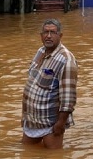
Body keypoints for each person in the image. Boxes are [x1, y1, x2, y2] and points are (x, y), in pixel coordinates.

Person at [22, 19, 78, 149]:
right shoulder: (40, 51)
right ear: (41, 35)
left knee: (54, 157)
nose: (48, 36)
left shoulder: (66, 59)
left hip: (50, 122)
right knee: (27, 152)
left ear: (60, 35)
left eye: (52, 32)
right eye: (45, 32)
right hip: (32, 119)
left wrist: (60, 123)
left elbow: (68, 97)